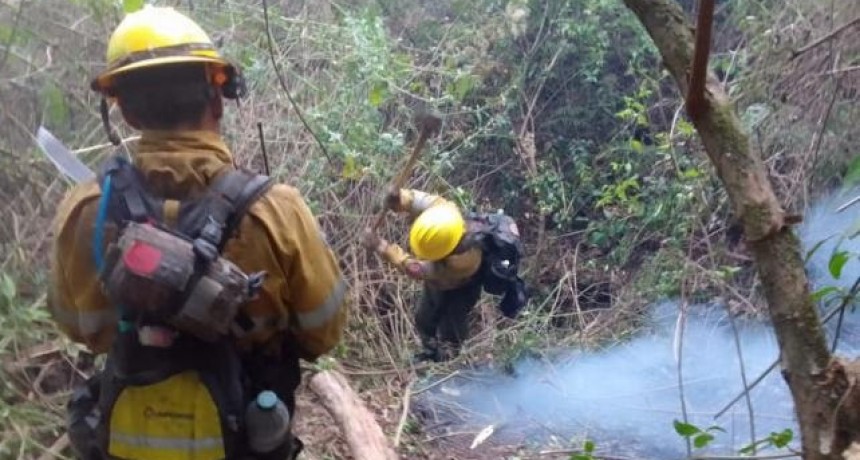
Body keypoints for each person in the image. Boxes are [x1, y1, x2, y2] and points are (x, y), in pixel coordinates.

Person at [48, 6, 347, 460]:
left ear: (125, 112)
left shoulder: (87, 208)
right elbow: (324, 331)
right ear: (217, 100)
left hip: (130, 439)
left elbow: (78, 327)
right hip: (246, 439)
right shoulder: (276, 211)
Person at [363, 187, 528, 362]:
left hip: (464, 287)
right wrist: (398, 198)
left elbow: (415, 269)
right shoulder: (445, 211)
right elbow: (418, 200)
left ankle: (448, 358)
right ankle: (429, 351)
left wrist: (381, 247)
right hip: (438, 283)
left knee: (452, 325)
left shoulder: (462, 261)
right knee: (424, 318)